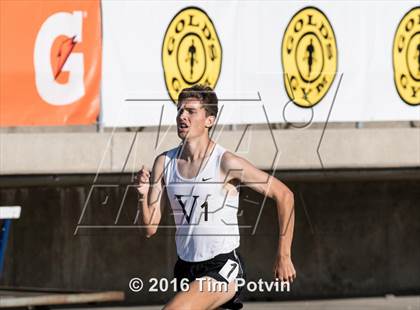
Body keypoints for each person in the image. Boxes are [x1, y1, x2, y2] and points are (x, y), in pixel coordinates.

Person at [136, 84, 296, 310]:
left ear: (209, 120)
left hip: (223, 266)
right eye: (180, 110)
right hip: (186, 269)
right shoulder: (164, 163)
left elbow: (284, 195)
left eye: (191, 111)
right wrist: (143, 195)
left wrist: (284, 255)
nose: (182, 116)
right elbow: (150, 227)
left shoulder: (225, 162)